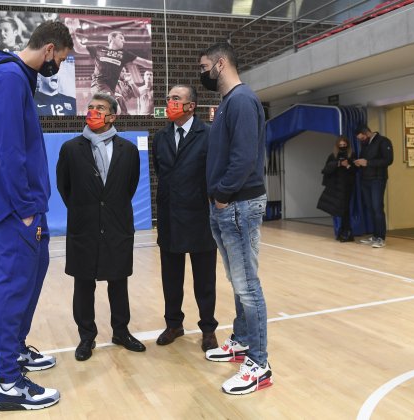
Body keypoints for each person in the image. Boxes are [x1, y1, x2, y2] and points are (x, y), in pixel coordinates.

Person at [0, 20, 73, 411]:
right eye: (61, 59)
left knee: (31, 280)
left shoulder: (21, 79)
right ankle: (8, 383)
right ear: (49, 49)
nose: (59, 67)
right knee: (13, 287)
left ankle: (16, 352)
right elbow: (9, 151)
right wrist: (22, 209)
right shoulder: (8, 79)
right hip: (18, 210)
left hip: (32, 206)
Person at [199, 42, 273, 395]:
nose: (203, 74)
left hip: (238, 205)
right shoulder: (229, 103)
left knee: (248, 285)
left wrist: (224, 195)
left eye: (204, 66)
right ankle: (242, 340)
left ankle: (259, 363)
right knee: (237, 279)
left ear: (221, 63)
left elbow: (244, 159)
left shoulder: (242, 100)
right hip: (227, 205)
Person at [56, 93, 144, 362]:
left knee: (118, 282)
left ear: (113, 116)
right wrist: (88, 211)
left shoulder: (128, 150)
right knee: (84, 285)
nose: (93, 111)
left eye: (100, 108)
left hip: (117, 226)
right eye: (90, 107)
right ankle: (86, 337)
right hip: (84, 227)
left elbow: (128, 187)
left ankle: (121, 331)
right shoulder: (70, 149)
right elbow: (65, 188)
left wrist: (109, 210)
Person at [152, 85, 219, 353]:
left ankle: (208, 329)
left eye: (176, 98)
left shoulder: (209, 135)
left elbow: (214, 172)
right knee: (171, 279)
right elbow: (162, 172)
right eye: (168, 98)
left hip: (201, 218)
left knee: (204, 281)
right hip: (170, 217)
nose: (169, 102)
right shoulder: (160, 137)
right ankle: (174, 325)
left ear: (191, 106)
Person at [66, 18, 152, 95]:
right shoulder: (99, 48)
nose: (124, 40)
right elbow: (79, 49)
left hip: (110, 89)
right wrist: (72, 34)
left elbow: (145, 63)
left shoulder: (125, 54)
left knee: (116, 109)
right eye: (121, 38)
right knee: (111, 104)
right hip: (98, 85)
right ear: (112, 39)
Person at [354, 124, 394, 248]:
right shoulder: (365, 144)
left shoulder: (383, 141)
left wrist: (368, 162)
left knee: (377, 208)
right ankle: (375, 236)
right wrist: (359, 162)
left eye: (362, 138)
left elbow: (388, 160)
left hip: (378, 180)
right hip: (365, 179)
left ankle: (381, 238)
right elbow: (365, 159)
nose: (361, 140)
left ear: (367, 133)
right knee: (370, 208)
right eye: (360, 139)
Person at [317, 136, 356, 242]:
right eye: (341, 145)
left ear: (347, 145)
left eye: (344, 145)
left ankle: (346, 232)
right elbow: (325, 169)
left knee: (345, 210)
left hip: (347, 187)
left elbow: (355, 171)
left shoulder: (352, 155)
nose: (343, 147)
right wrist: (338, 164)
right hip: (335, 187)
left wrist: (347, 165)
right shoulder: (333, 156)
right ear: (337, 145)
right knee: (337, 210)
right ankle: (342, 232)